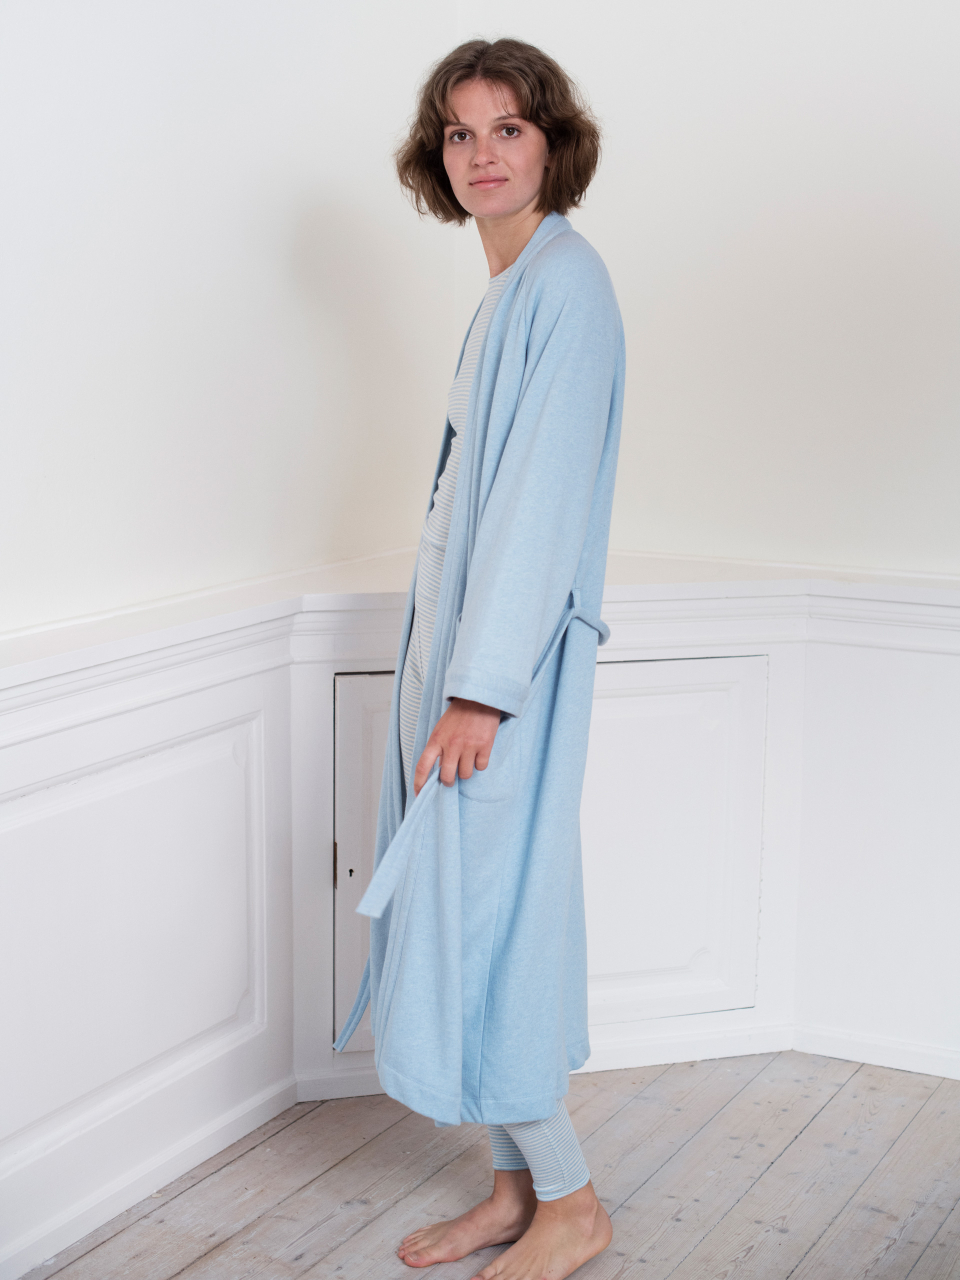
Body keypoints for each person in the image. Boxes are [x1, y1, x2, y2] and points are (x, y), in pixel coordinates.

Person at [334, 37, 625, 1280]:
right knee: (466, 910)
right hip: (459, 664)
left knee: (489, 924)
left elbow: (538, 509)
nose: (483, 153)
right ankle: (513, 1190)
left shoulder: (567, 286)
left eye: (510, 127)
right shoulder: (509, 287)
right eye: (461, 132)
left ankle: (572, 1200)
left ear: (554, 143)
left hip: (494, 679)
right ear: (436, 155)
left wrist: (478, 691)